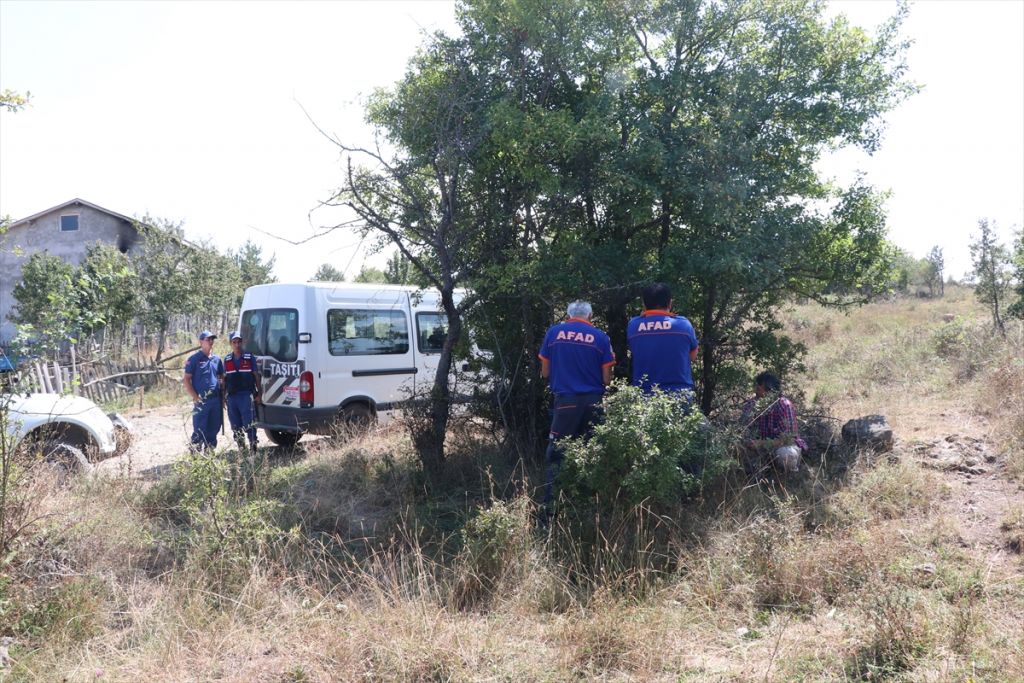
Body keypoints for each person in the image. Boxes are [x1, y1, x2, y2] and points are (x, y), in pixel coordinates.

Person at [538, 301, 615, 514]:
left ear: (568, 314)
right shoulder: (601, 337)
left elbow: (545, 372)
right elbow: (607, 379)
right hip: (593, 402)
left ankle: (551, 509)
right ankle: (590, 508)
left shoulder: (554, 334)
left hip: (566, 402)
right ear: (590, 316)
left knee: (558, 454)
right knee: (592, 452)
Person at [626, 283, 699, 398]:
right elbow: (693, 356)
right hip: (680, 394)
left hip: (644, 394)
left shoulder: (633, 326)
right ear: (670, 303)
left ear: (644, 304)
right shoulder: (683, 325)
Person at [740, 371, 807, 476]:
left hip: (782, 446)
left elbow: (789, 439)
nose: (756, 392)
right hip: (759, 448)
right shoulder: (752, 405)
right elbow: (743, 429)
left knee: (786, 455)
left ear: (769, 391)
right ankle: (752, 477)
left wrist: (761, 443)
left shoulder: (785, 405)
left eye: (758, 388)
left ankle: (789, 479)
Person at [183, 330, 224, 451]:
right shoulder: (194, 359)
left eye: (212, 339)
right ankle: (195, 455)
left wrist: (222, 390)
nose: (211, 342)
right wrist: (195, 397)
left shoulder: (217, 359)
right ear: (201, 342)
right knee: (199, 428)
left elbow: (221, 376)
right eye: (208, 339)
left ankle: (209, 453)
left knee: (214, 427)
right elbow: (186, 380)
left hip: (216, 400)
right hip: (202, 401)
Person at [223, 330, 261, 452]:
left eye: (239, 342)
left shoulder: (250, 358)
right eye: (234, 342)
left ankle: (253, 447)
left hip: (246, 396)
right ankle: (241, 448)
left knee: (249, 423)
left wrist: (259, 394)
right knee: (235, 425)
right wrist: (223, 397)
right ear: (230, 344)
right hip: (232, 397)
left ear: (242, 343)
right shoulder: (227, 359)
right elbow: (224, 380)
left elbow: (256, 376)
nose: (237, 344)